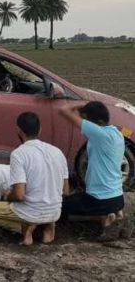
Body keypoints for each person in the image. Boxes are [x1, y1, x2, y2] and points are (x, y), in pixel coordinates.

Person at [0, 112, 69, 245]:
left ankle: (25, 228)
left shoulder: (19, 154)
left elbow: (19, 195)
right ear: (40, 129)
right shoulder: (58, 152)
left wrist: (7, 197)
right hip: (54, 212)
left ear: (18, 130)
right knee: (37, 207)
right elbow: (66, 191)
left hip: (29, 212)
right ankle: (46, 227)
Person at [59, 101, 126, 237]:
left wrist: (82, 102)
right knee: (77, 201)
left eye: (86, 120)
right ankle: (111, 214)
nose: (83, 123)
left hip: (99, 199)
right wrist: (86, 107)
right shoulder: (116, 133)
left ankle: (104, 218)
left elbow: (63, 110)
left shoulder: (99, 134)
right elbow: (77, 115)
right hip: (117, 198)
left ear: (98, 122)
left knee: (58, 207)